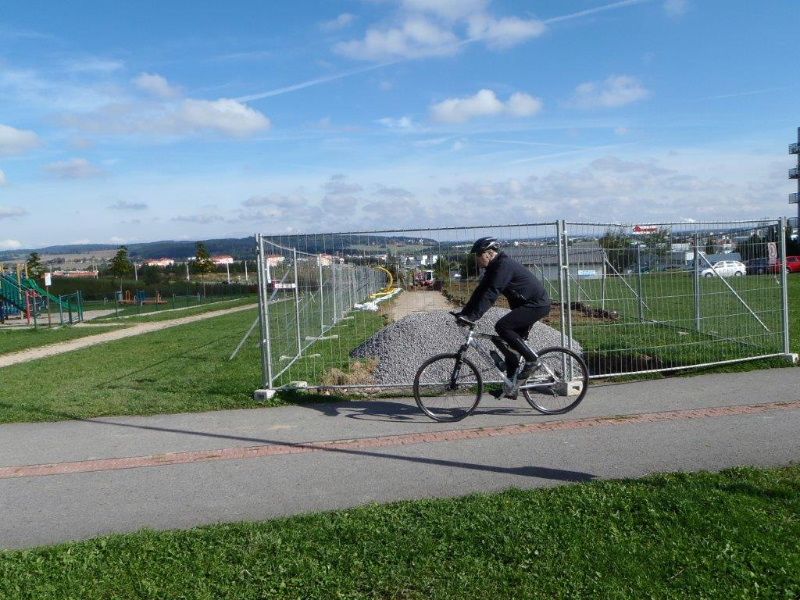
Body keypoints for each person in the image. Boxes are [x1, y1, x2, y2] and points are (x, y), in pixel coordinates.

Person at [457, 236, 551, 392]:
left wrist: (473, 317)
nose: (477, 260)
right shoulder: (493, 268)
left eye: (478, 256)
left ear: (489, 253)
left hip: (536, 305)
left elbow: (492, 293)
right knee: (509, 348)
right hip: (526, 306)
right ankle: (511, 387)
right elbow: (481, 292)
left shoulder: (503, 265)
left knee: (502, 326)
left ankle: (532, 360)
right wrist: (464, 313)